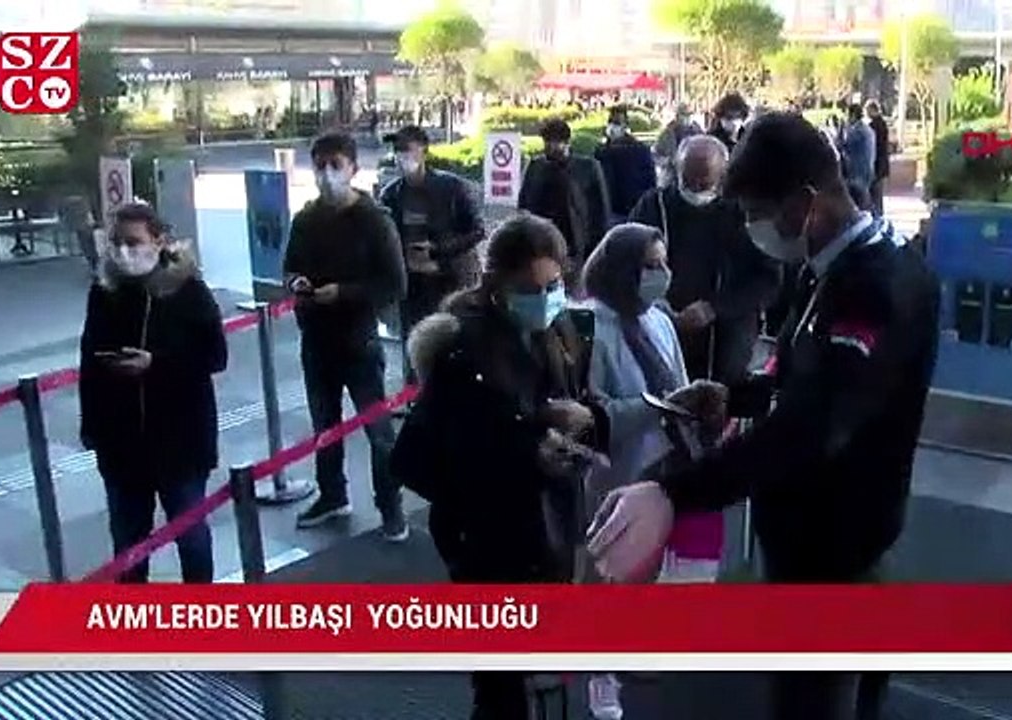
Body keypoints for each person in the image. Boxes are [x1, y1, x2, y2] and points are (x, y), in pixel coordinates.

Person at [588, 112, 942, 720]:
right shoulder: (829, 265)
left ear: (804, 204)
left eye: (756, 211)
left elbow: (814, 426)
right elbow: (800, 371)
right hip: (825, 529)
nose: (752, 228)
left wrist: (673, 494)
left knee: (812, 697)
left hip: (832, 539)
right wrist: (738, 395)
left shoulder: (873, 286)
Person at [392, 213, 610, 719]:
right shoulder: (462, 348)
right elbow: (428, 460)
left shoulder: (559, 330)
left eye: (554, 284)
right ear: (496, 283)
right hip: (488, 540)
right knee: (499, 685)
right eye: (530, 287)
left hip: (549, 524)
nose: (546, 296)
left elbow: (567, 398)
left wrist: (576, 422)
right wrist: (526, 452)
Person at [579, 223, 725, 719]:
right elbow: (592, 415)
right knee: (606, 575)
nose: (664, 274)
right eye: (652, 265)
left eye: (664, 263)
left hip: (664, 463)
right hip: (615, 471)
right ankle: (599, 674)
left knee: (648, 569)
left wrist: (696, 407)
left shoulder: (659, 319)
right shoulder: (589, 327)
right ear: (622, 270)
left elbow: (677, 384)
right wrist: (657, 407)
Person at [79, 202, 227, 583]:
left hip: (181, 442)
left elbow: (214, 355)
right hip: (122, 445)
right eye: (117, 243)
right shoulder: (105, 292)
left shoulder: (188, 290)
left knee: (191, 536)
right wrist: (93, 430)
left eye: (134, 242)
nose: (124, 252)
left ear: (159, 241)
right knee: (129, 544)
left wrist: (156, 364)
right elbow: (90, 364)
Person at [284, 131, 409, 535]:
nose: (326, 174)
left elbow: (394, 283)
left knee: (378, 431)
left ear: (353, 168)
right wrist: (297, 283)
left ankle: (390, 507)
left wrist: (345, 292)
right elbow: (289, 266)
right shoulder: (306, 218)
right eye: (319, 165)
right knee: (325, 427)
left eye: (335, 165)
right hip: (316, 340)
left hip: (359, 339)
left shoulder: (374, 220)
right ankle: (332, 495)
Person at [628, 134, 780, 386]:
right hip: (662, 319)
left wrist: (714, 308)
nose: (696, 188)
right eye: (689, 182)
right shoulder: (654, 205)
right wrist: (657, 304)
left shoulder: (746, 212)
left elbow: (768, 279)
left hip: (727, 329)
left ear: (722, 175)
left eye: (704, 183)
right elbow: (624, 260)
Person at [377, 125, 485, 382]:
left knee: (450, 344)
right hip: (413, 287)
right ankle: (415, 398)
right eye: (398, 151)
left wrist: (438, 251)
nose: (402, 156)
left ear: (423, 151)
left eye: (407, 149)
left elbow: (477, 230)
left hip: (449, 282)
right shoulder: (391, 194)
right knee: (414, 345)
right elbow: (385, 239)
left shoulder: (451, 187)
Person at [518, 117, 612, 287]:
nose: (547, 147)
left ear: (565, 143)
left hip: (576, 244)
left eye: (552, 142)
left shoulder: (588, 168)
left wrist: (596, 246)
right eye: (545, 142)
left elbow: (601, 210)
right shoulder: (536, 167)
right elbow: (524, 204)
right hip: (541, 244)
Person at [596, 105, 657, 225]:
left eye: (617, 123)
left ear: (625, 126)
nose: (613, 126)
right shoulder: (601, 151)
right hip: (610, 210)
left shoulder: (639, 149)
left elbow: (650, 180)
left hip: (633, 208)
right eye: (611, 122)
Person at [653, 102, 703, 186]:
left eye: (689, 115)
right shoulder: (668, 133)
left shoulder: (698, 132)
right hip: (672, 175)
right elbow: (656, 154)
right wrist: (668, 160)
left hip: (693, 174)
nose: (687, 118)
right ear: (677, 116)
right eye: (684, 115)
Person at [840, 103, 875, 211]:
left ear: (853, 115)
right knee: (865, 199)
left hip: (857, 171)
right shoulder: (867, 129)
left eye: (848, 115)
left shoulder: (857, 131)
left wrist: (842, 128)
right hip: (867, 170)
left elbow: (843, 145)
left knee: (859, 203)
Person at [865, 100, 890, 216]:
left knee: (874, 195)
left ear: (872, 110)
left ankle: (877, 217)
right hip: (882, 164)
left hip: (876, 164)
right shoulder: (883, 124)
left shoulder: (873, 126)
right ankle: (879, 215)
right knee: (878, 195)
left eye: (867, 110)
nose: (866, 113)